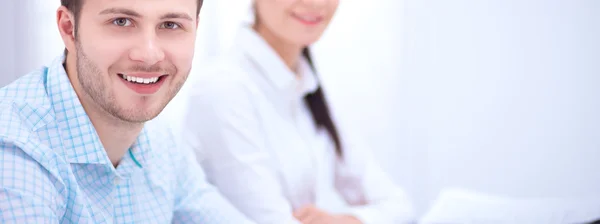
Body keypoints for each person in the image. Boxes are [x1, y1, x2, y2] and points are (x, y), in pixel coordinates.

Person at [0, 0, 254, 223]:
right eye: (121, 21)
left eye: (170, 25)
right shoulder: (12, 152)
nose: (149, 55)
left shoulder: (161, 141)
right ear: (69, 29)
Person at [174, 0, 416, 223]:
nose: (317, 3)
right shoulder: (223, 89)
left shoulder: (308, 83)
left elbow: (401, 207)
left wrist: (347, 220)